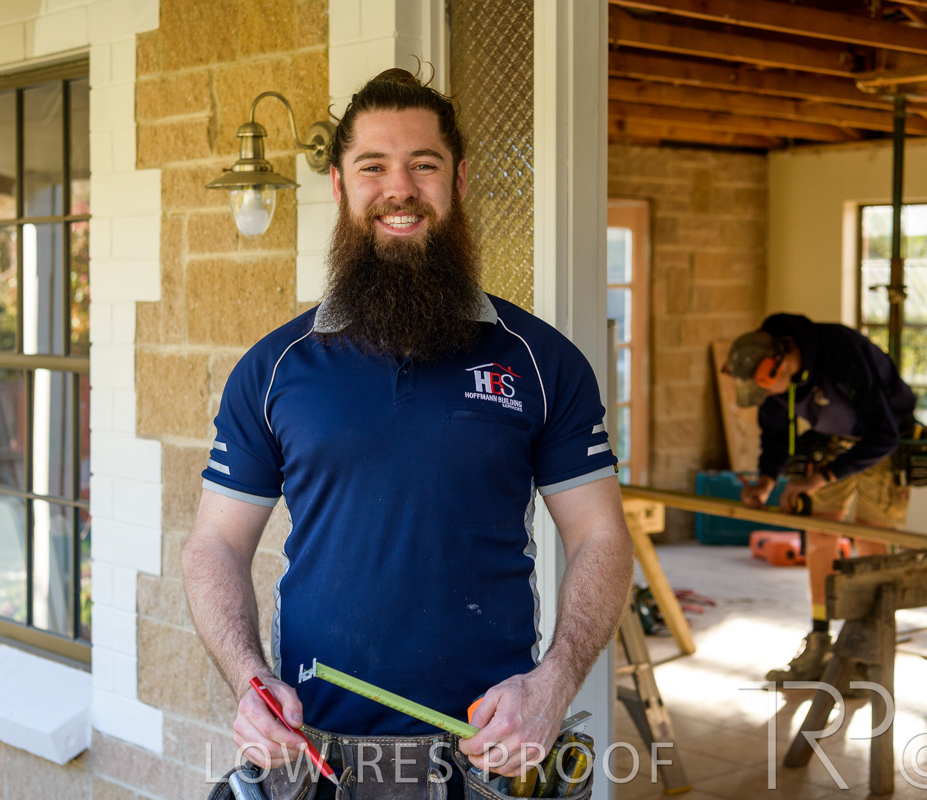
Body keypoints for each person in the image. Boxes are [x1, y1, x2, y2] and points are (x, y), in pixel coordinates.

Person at [182, 68, 634, 796]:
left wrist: (553, 682)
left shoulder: (540, 361)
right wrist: (249, 678)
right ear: (339, 185)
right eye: (373, 167)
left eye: (423, 165)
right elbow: (215, 545)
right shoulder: (273, 369)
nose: (400, 189)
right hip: (315, 762)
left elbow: (601, 536)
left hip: (486, 764)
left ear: (459, 181)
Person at [725, 314, 916, 682]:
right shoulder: (774, 381)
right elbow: (776, 434)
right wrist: (766, 482)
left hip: (884, 440)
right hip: (835, 438)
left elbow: (884, 435)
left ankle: (869, 652)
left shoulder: (843, 354)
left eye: (769, 388)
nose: (769, 397)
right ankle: (819, 640)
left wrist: (818, 478)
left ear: (784, 359)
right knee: (820, 532)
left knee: (871, 537)